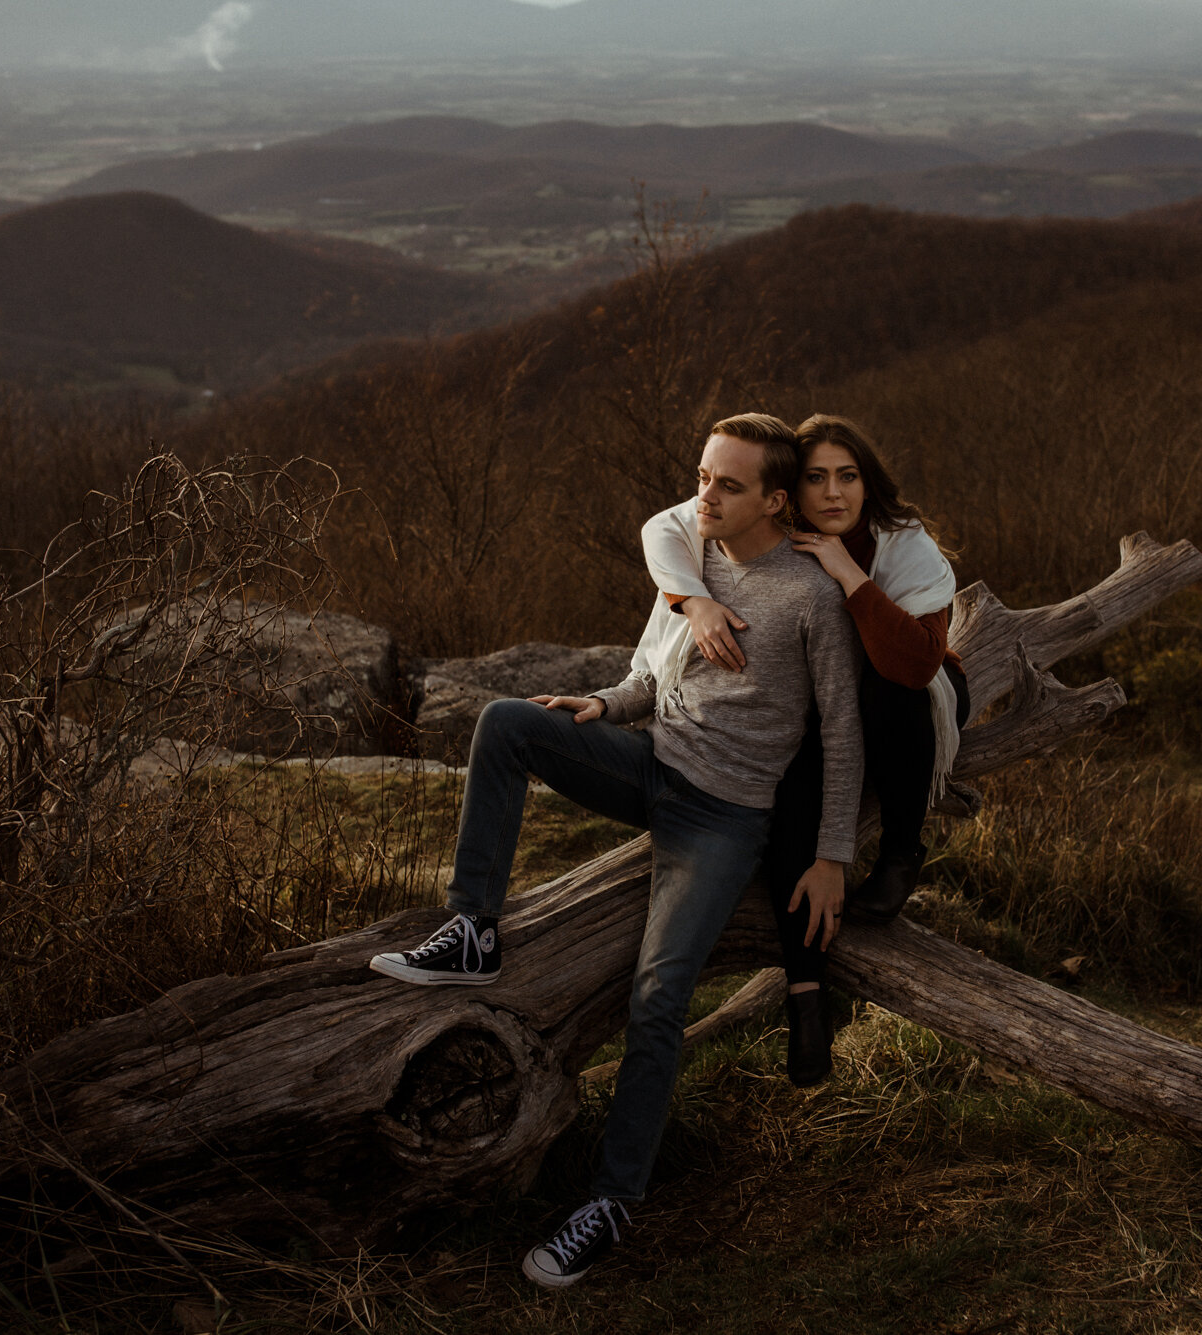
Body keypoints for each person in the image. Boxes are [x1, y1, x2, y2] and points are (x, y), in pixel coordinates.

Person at [370, 412, 865, 1289]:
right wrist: (606, 704)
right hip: (649, 762)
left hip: (722, 818)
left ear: (776, 500)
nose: (704, 494)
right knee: (509, 722)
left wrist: (830, 854)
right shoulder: (694, 560)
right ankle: (474, 928)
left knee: (657, 994)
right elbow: (652, 672)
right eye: (703, 476)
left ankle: (609, 1200)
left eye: (728, 484)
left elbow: (843, 733)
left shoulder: (811, 598)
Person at [639, 413, 968, 1087]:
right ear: (789, 489)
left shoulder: (903, 543)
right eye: (815, 477)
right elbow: (661, 529)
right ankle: (806, 998)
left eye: (847, 475)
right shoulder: (765, 518)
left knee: (884, 690)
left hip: (912, 700)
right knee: (795, 788)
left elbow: (914, 663)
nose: (832, 493)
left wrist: (849, 574)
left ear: (866, 480)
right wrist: (696, 601)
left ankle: (904, 848)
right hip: (828, 712)